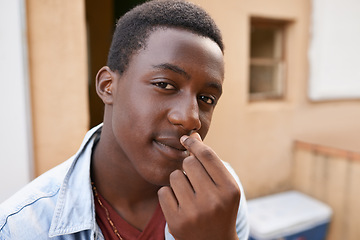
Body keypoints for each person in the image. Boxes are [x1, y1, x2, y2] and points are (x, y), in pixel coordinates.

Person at [0, 0, 249, 239]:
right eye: (164, 84)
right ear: (108, 86)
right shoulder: (20, 228)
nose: (190, 118)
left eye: (206, 98)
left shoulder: (222, 197)